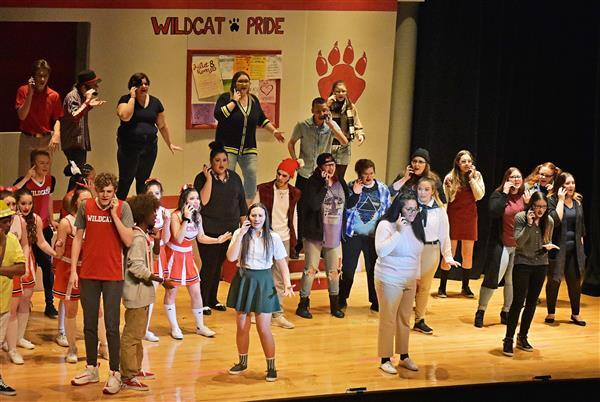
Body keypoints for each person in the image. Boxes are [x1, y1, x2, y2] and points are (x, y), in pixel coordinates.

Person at [68, 172, 133, 395]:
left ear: (114, 191)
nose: (105, 195)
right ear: (96, 190)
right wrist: (73, 271)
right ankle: (91, 368)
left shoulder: (123, 207)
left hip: (113, 274)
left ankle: (115, 372)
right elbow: (78, 238)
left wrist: (113, 214)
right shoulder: (85, 206)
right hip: (88, 273)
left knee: (112, 326)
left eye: (109, 191)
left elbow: (128, 240)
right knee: (89, 324)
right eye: (102, 191)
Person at [225, 203, 294, 382]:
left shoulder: (273, 237)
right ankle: (242, 362)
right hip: (243, 279)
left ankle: (271, 367)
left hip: (263, 281)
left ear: (265, 218)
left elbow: (281, 262)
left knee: (264, 328)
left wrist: (287, 283)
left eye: (260, 216)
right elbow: (231, 257)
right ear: (248, 217)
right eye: (253, 215)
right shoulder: (240, 234)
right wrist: (241, 234)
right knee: (242, 326)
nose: (256, 219)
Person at [121, 193, 175, 392]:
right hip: (136, 294)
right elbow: (136, 267)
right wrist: (160, 280)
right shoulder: (137, 238)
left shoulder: (144, 236)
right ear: (143, 213)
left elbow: (152, 259)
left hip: (142, 294)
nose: (155, 215)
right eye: (153, 211)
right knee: (131, 336)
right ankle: (127, 376)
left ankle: (135, 369)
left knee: (139, 334)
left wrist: (157, 241)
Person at [163, 186, 230, 340]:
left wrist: (217, 240)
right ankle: (174, 327)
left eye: (197, 198)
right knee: (171, 292)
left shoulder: (198, 216)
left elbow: (201, 237)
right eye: (192, 198)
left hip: (188, 256)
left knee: (196, 292)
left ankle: (200, 326)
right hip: (174, 256)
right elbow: (178, 238)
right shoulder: (176, 216)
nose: (196, 201)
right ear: (184, 201)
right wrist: (186, 219)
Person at [287, 97, 348, 255]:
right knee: (301, 209)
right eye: (318, 111)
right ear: (312, 111)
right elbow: (291, 143)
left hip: (321, 175)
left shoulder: (331, 125)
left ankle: (321, 243)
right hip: (304, 173)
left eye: (324, 110)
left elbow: (344, 141)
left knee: (321, 209)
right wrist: (295, 160)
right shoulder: (303, 125)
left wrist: (331, 125)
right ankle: (300, 243)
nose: (322, 113)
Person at [193, 141, 247, 315]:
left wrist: (244, 228)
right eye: (217, 160)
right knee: (209, 264)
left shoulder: (235, 178)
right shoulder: (202, 178)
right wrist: (209, 179)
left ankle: (212, 299)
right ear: (211, 162)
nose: (221, 164)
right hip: (209, 229)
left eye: (224, 160)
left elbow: (242, 204)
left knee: (218, 266)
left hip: (229, 230)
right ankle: (202, 301)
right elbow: (202, 202)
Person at [214, 71, 285, 203]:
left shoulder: (253, 100)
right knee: (228, 174)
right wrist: (234, 101)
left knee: (251, 173)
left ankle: (248, 204)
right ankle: (226, 202)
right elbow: (218, 115)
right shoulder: (225, 98)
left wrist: (275, 132)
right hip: (228, 146)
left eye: (246, 81)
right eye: (240, 81)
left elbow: (262, 119)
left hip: (248, 147)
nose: (243, 84)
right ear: (234, 84)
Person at [375, 193, 424, 374]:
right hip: (389, 278)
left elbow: (417, 254)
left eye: (415, 209)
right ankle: (385, 359)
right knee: (388, 319)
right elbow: (381, 251)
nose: (413, 213)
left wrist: (417, 277)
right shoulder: (386, 225)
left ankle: (404, 355)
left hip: (409, 279)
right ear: (399, 209)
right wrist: (398, 231)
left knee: (404, 319)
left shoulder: (417, 225)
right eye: (408, 209)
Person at [475, 168, 531, 327]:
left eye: (518, 176)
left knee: (512, 281)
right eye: (512, 177)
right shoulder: (498, 194)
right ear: (507, 179)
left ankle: (506, 311)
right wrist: (505, 194)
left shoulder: (525, 196)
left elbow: (532, 218)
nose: (516, 179)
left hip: (519, 246)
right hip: (501, 244)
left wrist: (528, 205)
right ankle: (481, 310)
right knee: (493, 278)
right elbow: (494, 212)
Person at [295, 153, 348, 319]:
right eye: (327, 165)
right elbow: (313, 205)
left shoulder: (340, 182)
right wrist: (325, 186)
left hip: (334, 233)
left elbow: (347, 203)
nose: (331, 168)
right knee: (310, 269)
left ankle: (335, 305)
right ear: (320, 167)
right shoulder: (313, 183)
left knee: (333, 271)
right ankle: (303, 303)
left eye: (333, 164)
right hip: (315, 233)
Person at [502, 191, 555, 357]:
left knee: (532, 302)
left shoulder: (549, 221)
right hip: (523, 263)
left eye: (544, 207)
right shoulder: (521, 217)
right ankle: (508, 339)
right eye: (538, 206)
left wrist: (548, 246)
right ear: (531, 205)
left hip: (541, 264)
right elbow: (519, 242)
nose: (541, 210)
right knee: (518, 302)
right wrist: (530, 225)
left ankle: (523, 336)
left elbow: (547, 240)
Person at [8, 188, 56, 364]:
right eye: (22, 203)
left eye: (29, 203)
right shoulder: (10, 219)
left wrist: (55, 254)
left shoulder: (35, 219)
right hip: (11, 264)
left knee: (25, 301)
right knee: (10, 306)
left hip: (27, 262)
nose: (26, 206)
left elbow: (40, 242)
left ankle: (19, 337)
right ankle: (8, 341)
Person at [252, 158, 301, 329]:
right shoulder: (263, 189)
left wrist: (294, 239)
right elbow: (254, 211)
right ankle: (258, 310)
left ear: (290, 177)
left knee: (280, 277)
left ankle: (277, 313)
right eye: (278, 173)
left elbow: (293, 216)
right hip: (265, 237)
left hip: (283, 238)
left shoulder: (294, 193)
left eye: (284, 175)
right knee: (261, 275)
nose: (280, 177)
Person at [116, 72, 182, 199]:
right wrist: (132, 98)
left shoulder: (155, 102)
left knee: (143, 180)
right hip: (129, 147)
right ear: (132, 86)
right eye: (140, 84)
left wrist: (170, 143)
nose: (144, 86)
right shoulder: (125, 100)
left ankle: (141, 209)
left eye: (146, 84)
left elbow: (162, 125)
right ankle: (119, 207)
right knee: (126, 179)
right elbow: (125, 116)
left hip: (149, 147)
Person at [338, 159, 390, 312]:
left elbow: (387, 210)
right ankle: (342, 298)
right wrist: (355, 192)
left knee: (373, 269)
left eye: (371, 173)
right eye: (365, 174)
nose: (369, 177)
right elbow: (346, 208)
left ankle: (375, 300)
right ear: (359, 174)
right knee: (348, 270)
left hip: (374, 236)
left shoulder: (382, 189)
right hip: (353, 235)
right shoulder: (350, 187)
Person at [13, 149, 59, 318]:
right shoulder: (24, 182)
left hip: (42, 227)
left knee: (47, 266)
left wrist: (52, 218)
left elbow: (50, 199)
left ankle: (49, 304)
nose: (45, 166)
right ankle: (22, 301)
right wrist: (26, 178)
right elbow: (11, 193)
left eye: (47, 163)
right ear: (33, 164)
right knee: (25, 264)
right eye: (41, 163)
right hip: (24, 228)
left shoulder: (51, 180)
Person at [412, 177, 460, 334]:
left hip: (431, 250)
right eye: (420, 189)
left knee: (424, 287)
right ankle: (401, 318)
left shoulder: (439, 210)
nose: (422, 192)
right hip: (412, 249)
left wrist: (448, 256)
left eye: (426, 189)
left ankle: (419, 320)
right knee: (410, 285)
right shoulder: (410, 206)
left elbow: (444, 234)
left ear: (433, 191)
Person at [52, 187, 93, 363]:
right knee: (71, 309)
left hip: (90, 270)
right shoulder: (66, 222)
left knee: (97, 309)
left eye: (89, 200)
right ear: (76, 202)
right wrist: (58, 246)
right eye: (83, 200)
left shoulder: (94, 219)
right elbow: (59, 253)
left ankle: (104, 346)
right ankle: (72, 348)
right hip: (69, 269)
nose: (87, 203)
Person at [440, 150, 485, 298]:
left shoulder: (477, 176)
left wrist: (471, 179)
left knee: (467, 254)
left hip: (470, 218)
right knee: (450, 252)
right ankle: (442, 287)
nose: (467, 164)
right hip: (453, 217)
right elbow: (446, 199)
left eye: (469, 161)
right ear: (458, 163)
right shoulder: (450, 177)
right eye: (464, 161)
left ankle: (465, 287)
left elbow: (479, 196)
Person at [545, 172, 587, 326]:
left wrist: (581, 248)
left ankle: (576, 314)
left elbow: (581, 227)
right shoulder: (552, 200)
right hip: (557, 248)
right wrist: (561, 200)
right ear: (560, 185)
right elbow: (555, 221)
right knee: (554, 280)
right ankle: (551, 312)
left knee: (575, 283)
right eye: (567, 183)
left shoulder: (577, 202)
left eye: (573, 183)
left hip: (574, 250)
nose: (571, 186)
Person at [15, 59, 64, 175]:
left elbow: (57, 118)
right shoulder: (23, 91)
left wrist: (56, 134)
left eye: (45, 76)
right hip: (28, 138)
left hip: (45, 140)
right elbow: (22, 116)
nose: (42, 79)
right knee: (25, 174)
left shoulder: (54, 95)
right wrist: (30, 94)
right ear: (33, 76)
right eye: (39, 75)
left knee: (44, 175)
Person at [0, 200, 26, 397]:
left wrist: (2, 270)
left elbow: (21, 268)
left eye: (9, 220)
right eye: (4, 221)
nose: (8, 224)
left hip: (2, 304)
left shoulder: (12, 240)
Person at [143, 178, 171, 342]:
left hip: (158, 254)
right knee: (143, 293)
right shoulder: (140, 211)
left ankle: (144, 329)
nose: (154, 196)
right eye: (151, 193)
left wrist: (167, 221)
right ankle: (140, 328)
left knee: (151, 293)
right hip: (144, 253)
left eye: (157, 193)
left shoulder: (164, 212)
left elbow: (165, 240)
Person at [60, 69, 106, 168]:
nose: (96, 87)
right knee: (78, 172)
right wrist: (87, 102)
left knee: (79, 172)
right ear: (84, 87)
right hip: (73, 143)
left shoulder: (81, 96)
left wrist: (88, 105)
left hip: (79, 143)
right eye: (94, 85)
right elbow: (75, 116)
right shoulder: (72, 96)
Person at [326, 80, 366, 182]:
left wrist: (360, 135)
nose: (341, 93)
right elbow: (320, 120)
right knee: (327, 176)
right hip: (329, 145)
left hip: (344, 146)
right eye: (338, 91)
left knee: (339, 177)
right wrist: (327, 105)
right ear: (333, 92)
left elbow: (357, 123)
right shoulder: (327, 106)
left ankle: (339, 192)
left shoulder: (350, 107)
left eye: (343, 91)